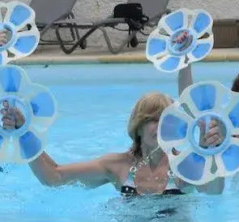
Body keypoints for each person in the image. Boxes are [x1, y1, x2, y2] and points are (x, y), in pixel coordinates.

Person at [16, 66, 224, 196]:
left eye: (166, 120)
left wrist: (213, 151)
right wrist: (22, 131)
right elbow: (53, 177)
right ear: (138, 127)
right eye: (153, 120)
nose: (161, 126)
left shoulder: (183, 166)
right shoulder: (117, 166)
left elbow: (214, 192)